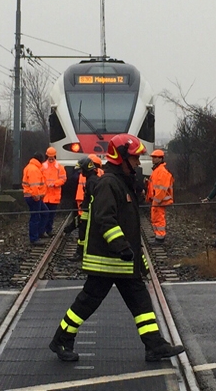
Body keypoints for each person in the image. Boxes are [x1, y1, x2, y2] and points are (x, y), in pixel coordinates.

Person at [49, 134, 187, 363]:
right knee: (88, 301)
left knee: (140, 301)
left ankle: (154, 345)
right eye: (133, 158)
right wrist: (121, 246)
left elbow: (128, 225)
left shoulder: (121, 183)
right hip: (108, 260)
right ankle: (61, 339)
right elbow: (105, 219)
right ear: (120, 157)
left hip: (122, 260)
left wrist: (137, 257)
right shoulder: (109, 184)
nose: (136, 162)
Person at [147, 150, 174, 243]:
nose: (153, 159)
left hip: (159, 200)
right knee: (156, 218)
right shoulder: (157, 170)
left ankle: (160, 237)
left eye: (155, 157)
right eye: (153, 157)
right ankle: (158, 235)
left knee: (159, 218)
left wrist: (156, 200)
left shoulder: (161, 171)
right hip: (157, 200)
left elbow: (162, 188)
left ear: (160, 158)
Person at [22, 152, 48, 245]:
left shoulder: (31, 167)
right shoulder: (34, 169)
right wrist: (37, 196)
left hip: (32, 196)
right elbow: (34, 185)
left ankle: (39, 233)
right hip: (33, 197)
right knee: (35, 217)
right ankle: (34, 238)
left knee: (44, 212)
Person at [42, 147, 67, 240]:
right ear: (47, 156)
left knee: (51, 215)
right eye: (49, 157)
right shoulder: (43, 166)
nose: (51, 159)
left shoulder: (60, 167)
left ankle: (48, 230)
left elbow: (63, 179)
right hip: (45, 195)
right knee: (44, 214)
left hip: (54, 195)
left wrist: (55, 184)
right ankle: (44, 230)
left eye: (52, 157)